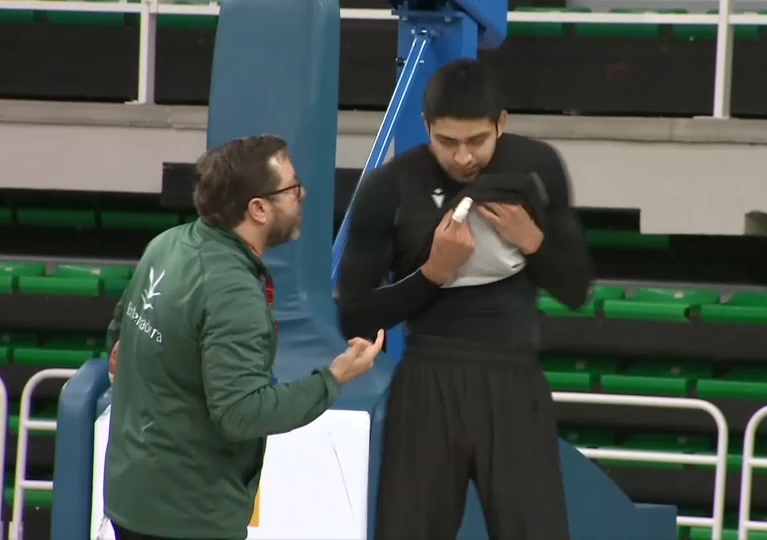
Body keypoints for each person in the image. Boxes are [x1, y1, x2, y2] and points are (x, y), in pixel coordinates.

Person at [336, 59, 593, 540]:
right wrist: (433, 273)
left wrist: (533, 240)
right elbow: (353, 315)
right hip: (428, 382)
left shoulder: (537, 168)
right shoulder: (389, 187)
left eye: (477, 141)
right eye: (447, 142)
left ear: (502, 124)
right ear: (427, 127)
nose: (462, 157)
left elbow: (576, 289)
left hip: (514, 379)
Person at [103, 135, 385, 540]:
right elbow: (241, 414)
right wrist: (334, 378)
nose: (302, 194)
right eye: (291, 187)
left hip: (132, 497)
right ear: (258, 208)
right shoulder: (233, 293)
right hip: (188, 516)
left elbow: (117, 340)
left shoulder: (165, 245)